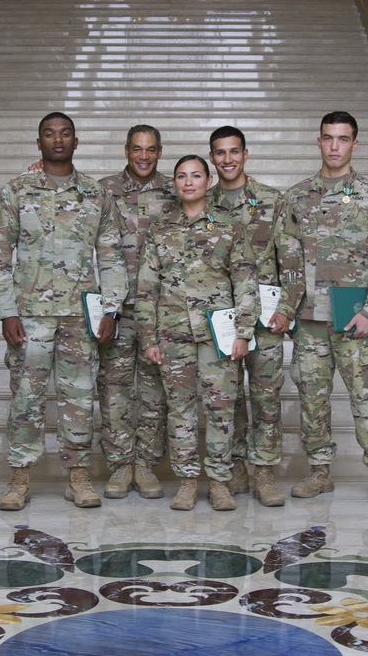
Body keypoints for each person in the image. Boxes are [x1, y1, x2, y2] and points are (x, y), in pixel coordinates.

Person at [0, 112, 127, 511]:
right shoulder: (16, 192)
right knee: (26, 399)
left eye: (65, 133)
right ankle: (19, 478)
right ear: (39, 143)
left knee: (79, 398)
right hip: (29, 316)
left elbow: (112, 257)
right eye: (49, 134)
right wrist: (7, 311)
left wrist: (111, 310)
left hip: (80, 317)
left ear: (76, 141)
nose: (58, 140)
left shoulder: (96, 195)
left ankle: (78, 477)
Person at [283, 110, 368, 507]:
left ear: (354, 144)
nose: (335, 146)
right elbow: (285, 259)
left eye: (343, 139)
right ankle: (319, 471)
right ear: (318, 141)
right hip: (310, 320)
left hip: (355, 319)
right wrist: (286, 308)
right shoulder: (296, 197)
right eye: (328, 138)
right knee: (312, 399)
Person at [135, 155, 259, 511]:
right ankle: (188, 480)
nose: (188, 182)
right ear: (174, 183)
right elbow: (146, 288)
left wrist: (243, 332)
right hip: (172, 335)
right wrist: (149, 338)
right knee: (181, 411)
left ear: (208, 180)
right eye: (181, 176)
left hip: (217, 336)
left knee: (220, 409)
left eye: (195, 176)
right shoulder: (160, 229)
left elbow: (246, 282)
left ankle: (219, 481)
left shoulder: (229, 225)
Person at [206, 126, 305, 508]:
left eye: (234, 152)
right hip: (222, 319)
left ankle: (263, 472)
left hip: (265, 319)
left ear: (246, 154)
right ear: (212, 158)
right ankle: (233, 468)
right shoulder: (204, 200)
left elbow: (292, 262)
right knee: (227, 398)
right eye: (220, 153)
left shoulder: (271, 201)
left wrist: (286, 310)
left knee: (265, 397)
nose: (227, 159)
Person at [96, 125, 175, 500]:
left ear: (160, 152)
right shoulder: (102, 190)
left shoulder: (176, 191)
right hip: (116, 308)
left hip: (161, 309)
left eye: (151, 150)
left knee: (154, 391)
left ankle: (145, 463)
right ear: (126, 150)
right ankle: (119, 464)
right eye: (137, 149)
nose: (144, 156)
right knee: (114, 390)